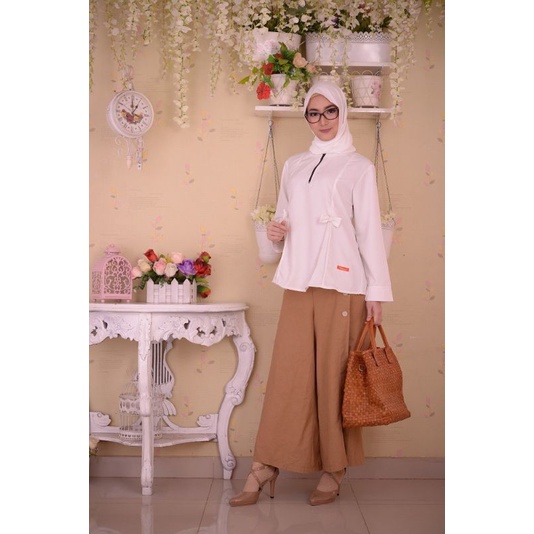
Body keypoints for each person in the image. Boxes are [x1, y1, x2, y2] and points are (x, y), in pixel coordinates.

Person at [229, 81, 393, 507]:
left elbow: (369, 232)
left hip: (344, 285)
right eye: (313, 113)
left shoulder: (359, 167)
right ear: (306, 117)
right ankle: (265, 465)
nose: (322, 120)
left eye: (330, 111)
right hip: (300, 281)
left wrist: (375, 293)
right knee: (290, 376)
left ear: (342, 112)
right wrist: (276, 230)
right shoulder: (295, 166)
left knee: (335, 377)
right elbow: (286, 219)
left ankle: (334, 468)